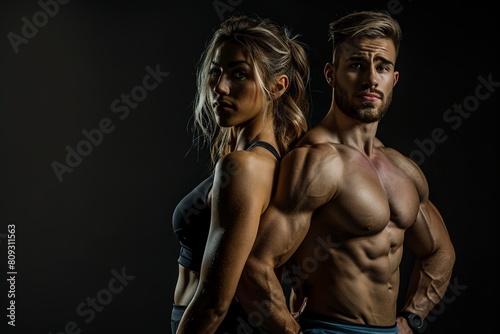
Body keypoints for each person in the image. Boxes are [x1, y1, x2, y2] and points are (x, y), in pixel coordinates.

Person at [236, 10, 456, 334]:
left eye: (382, 66)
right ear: (331, 74)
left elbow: (440, 251)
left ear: (394, 78)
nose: (370, 79)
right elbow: (253, 265)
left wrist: (412, 318)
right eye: (355, 65)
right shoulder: (315, 162)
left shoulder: (401, 168)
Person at [171, 14, 311, 334]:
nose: (220, 87)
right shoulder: (262, 162)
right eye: (216, 72)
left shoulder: (245, 168)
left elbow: (215, 303)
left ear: (278, 86)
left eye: (239, 74)